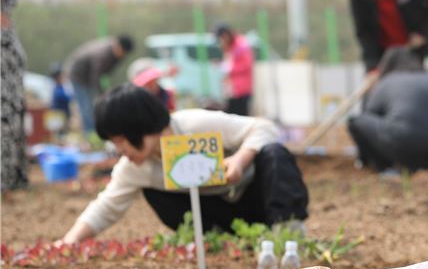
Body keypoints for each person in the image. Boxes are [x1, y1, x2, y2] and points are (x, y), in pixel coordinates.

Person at [60, 85, 309, 243]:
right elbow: (106, 206)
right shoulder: (134, 166)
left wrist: (241, 159)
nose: (120, 150)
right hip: (214, 216)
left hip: (254, 199)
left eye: (121, 140)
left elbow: (264, 127)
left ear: (140, 127)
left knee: (275, 154)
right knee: (153, 191)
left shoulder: (194, 124)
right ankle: (215, 241)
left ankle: (288, 234)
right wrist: (69, 243)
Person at [347, 48, 428, 175]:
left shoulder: (386, 82)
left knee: (356, 121)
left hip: (405, 144)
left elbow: (370, 115)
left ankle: (381, 166)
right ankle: (424, 163)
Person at [1, 0, 29, 191]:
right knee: (7, 117)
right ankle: (7, 176)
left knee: (10, 116)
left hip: (7, 51)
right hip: (4, 50)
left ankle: (10, 175)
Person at [64, 34, 134, 133]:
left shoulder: (117, 56)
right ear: (118, 46)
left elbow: (107, 73)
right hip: (78, 75)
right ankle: (91, 133)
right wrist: (101, 94)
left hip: (89, 77)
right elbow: (95, 76)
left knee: (93, 104)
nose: (122, 54)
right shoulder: (103, 53)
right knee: (87, 106)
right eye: (122, 51)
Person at [215, 24, 254, 116]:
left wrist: (229, 69)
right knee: (231, 114)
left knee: (241, 116)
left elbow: (247, 65)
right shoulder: (229, 46)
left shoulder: (241, 45)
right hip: (231, 89)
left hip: (242, 89)